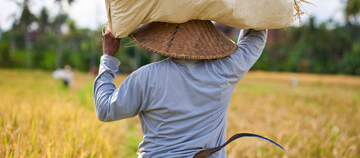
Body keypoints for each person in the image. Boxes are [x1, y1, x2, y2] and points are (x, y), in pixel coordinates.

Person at [93, 20, 267, 157]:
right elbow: (255, 38)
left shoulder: (147, 77)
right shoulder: (224, 71)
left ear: (167, 39)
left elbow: (105, 109)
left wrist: (108, 57)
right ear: (209, 38)